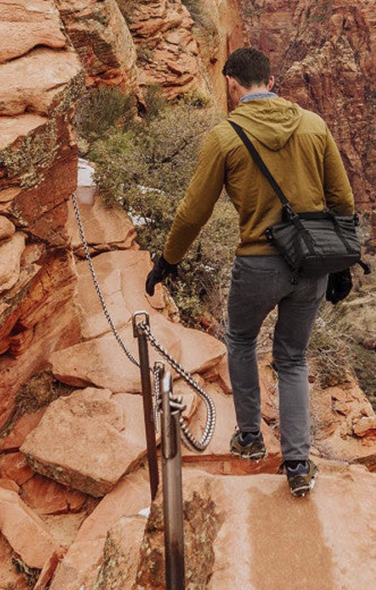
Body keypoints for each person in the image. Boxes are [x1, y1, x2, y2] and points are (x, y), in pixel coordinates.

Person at [146, 46, 355, 496]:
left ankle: (251, 439)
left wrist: (168, 260)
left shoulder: (225, 138)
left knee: (240, 339)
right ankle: (298, 464)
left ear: (232, 85)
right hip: (312, 262)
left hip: (258, 263)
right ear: (272, 81)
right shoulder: (314, 126)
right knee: (293, 357)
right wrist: (342, 265)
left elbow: (191, 213)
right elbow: (343, 201)